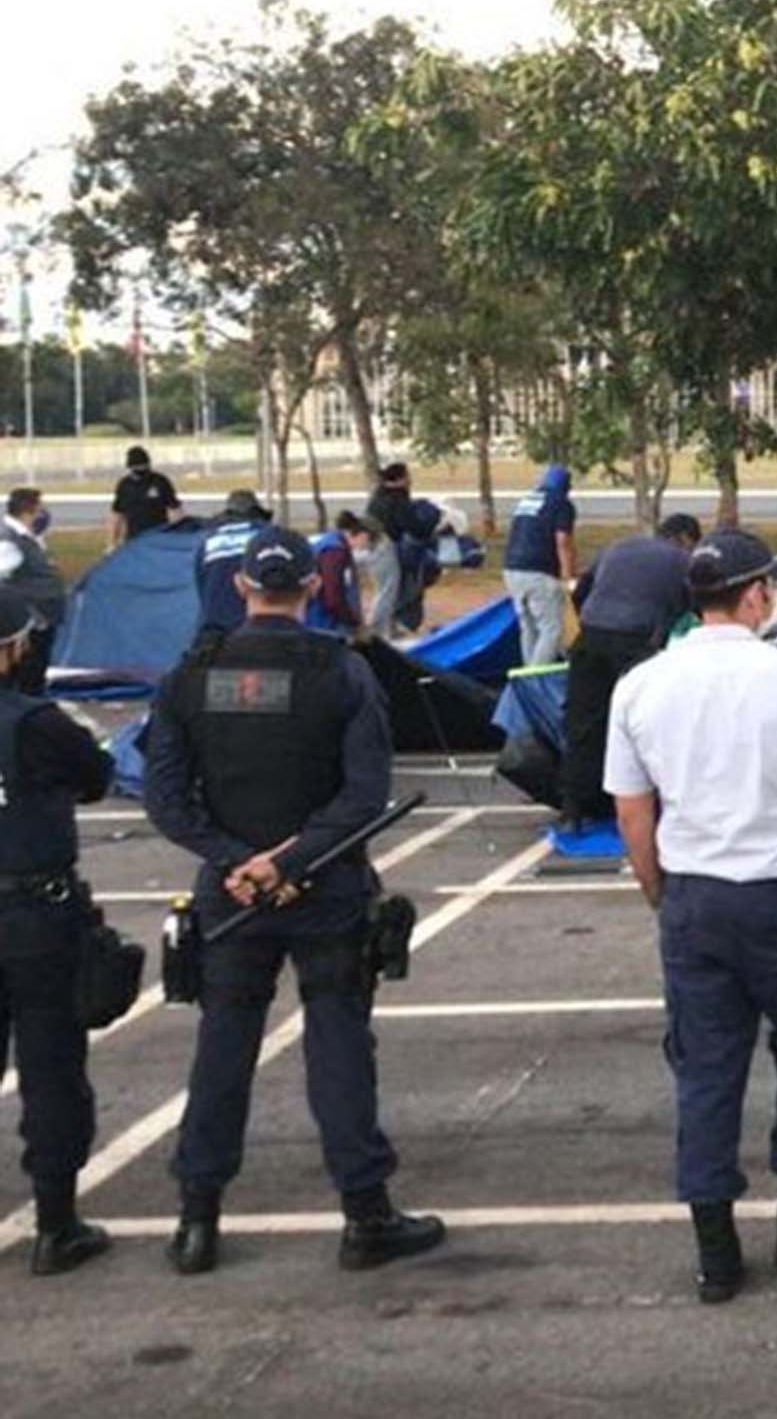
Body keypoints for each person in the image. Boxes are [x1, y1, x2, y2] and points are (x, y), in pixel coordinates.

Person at [144, 526, 445, 1274]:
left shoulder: (191, 673)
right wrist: (294, 860)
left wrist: (237, 861)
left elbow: (165, 799)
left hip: (233, 893)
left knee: (223, 1049)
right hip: (326, 886)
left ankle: (197, 1218)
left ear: (242, 587)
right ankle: (365, 1214)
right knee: (339, 1047)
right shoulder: (340, 672)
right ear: (313, 587)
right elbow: (365, 795)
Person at [604, 530, 777, 1303]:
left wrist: (661, 891)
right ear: (755, 594)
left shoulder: (643, 684)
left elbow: (631, 811)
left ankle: (716, 1250)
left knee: (707, 1071)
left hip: (694, 897)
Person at [0, 589, 118, 1276]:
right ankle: (56, 1222)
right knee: (50, 1070)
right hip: (35, 912)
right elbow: (97, 775)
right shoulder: (36, 722)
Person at [561, 515, 701, 826]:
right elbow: (691, 608)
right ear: (686, 539)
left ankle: (574, 810)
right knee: (647, 721)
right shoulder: (682, 561)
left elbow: (580, 591)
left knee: (583, 723)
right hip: (636, 641)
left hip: (592, 635)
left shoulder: (617, 546)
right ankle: (653, 807)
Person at [502, 464, 579, 667]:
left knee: (528, 627)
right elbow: (563, 542)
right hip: (538, 573)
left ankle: (528, 674)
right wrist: (568, 578)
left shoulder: (527, 500)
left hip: (511, 569)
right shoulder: (561, 504)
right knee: (552, 629)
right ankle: (535, 678)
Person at [0, 489, 67, 696]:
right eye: (40, 509)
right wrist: (28, 614)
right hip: (31, 620)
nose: (43, 514)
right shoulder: (9, 541)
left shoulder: (28, 536)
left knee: (37, 668)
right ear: (28, 511)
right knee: (29, 673)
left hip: (43, 615)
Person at [193, 489, 273, 642]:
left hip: (213, 629)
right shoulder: (267, 536)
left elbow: (201, 585)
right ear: (256, 512)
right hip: (257, 627)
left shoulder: (209, 540)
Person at [364, 462, 430, 639]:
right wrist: (428, 529)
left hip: (372, 545)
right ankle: (374, 632)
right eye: (407, 476)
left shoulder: (378, 495)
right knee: (388, 591)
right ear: (400, 479)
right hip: (384, 546)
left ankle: (387, 629)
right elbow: (411, 525)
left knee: (385, 589)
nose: (410, 480)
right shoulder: (397, 499)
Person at [306, 513, 375, 636]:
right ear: (361, 535)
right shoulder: (336, 552)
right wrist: (351, 619)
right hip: (327, 621)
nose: (365, 546)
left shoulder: (328, 542)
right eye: (367, 541)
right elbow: (333, 591)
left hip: (318, 615)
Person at [109, 445, 182, 548]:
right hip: (133, 540)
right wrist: (113, 543)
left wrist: (177, 537)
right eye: (137, 467)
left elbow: (175, 510)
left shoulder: (160, 482)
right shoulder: (125, 485)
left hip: (158, 539)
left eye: (143, 466)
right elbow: (117, 515)